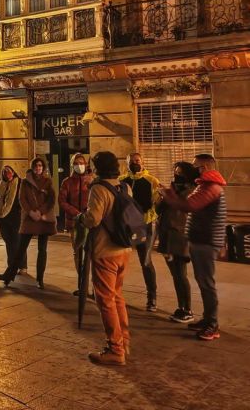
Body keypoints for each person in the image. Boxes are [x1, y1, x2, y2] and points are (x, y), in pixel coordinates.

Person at [161, 153, 227, 341]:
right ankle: (207, 319)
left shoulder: (211, 187)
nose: (193, 169)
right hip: (201, 241)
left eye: (195, 166)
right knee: (203, 282)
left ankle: (212, 325)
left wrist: (169, 195)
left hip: (206, 242)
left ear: (205, 167)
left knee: (207, 284)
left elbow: (189, 205)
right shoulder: (206, 186)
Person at [79, 151, 132, 366]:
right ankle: (124, 341)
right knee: (117, 296)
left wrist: (80, 217)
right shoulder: (124, 187)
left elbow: (92, 219)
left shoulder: (98, 189)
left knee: (106, 300)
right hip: (123, 250)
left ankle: (115, 349)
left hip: (105, 252)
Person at [0, 157, 57, 289]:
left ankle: (40, 279)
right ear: (33, 167)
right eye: (36, 166)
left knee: (42, 250)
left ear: (43, 168)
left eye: (40, 166)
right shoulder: (25, 182)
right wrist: (31, 212)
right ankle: (8, 276)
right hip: (30, 218)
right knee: (20, 249)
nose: (38, 168)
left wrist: (40, 211)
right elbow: (22, 199)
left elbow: (51, 200)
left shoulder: (48, 182)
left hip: (43, 218)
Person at [156, 161, 197, 324]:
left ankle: (187, 309)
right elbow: (158, 210)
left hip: (180, 238)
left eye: (180, 173)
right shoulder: (172, 190)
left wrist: (169, 195)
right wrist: (162, 197)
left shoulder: (192, 192)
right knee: (175, 275)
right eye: (175, 172)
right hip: (167, 237)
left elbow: (185, 208)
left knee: (180, 275)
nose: (176, 175)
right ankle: (181, 307)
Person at [120, 152, 160, 312]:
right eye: (131, 161)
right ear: (127, 163)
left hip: (145, 225)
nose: (135, 163)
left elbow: (156, 205)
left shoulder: (151, 181)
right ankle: (116, 293)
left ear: (142, 162)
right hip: (126, 226)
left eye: (137, 161)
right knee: (119, 259)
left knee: (146, 261)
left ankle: (152, 297)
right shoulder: (122, 181)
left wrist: (145, 219)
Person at [58, 154, 92, 295]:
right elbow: (62, 201)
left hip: (90, 222)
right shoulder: (67, 182)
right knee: (78, 253)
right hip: (74, 223)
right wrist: (76, 213)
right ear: (72, 165)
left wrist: (88, 214)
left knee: (90, 254)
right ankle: (82, 286)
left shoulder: (91, 180)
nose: (79, 165)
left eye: (81, 162)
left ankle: (94, 287)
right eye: (76, 163)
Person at [0, 166, 27, 275]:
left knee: (18, 242)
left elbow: (24, 200)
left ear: (13, 172)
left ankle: (22, 266)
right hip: (3, 219)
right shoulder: (1, 185)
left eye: (9, 172)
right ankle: (11, 265)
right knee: (9, 243)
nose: (7, 174)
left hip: (16, 218)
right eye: (5, 172)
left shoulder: (20, 183)